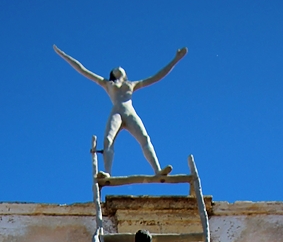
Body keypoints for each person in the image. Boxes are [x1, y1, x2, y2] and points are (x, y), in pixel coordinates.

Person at [53, 44, 187, 176]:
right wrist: (63, 55)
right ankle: (107, 173)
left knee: (145, 138)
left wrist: (176, 59)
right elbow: (82, 70)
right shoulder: (107, 83)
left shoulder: (132, 84)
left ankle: (157, 170)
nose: (118, 67)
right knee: (108, 140)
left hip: (130, 112)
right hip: (116, 112)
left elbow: (156, 77)